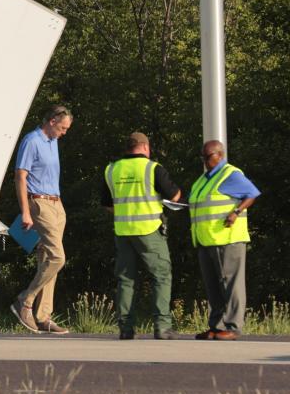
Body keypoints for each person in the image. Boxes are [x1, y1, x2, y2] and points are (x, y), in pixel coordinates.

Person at [102, 132, 182, 340]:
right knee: (161, 276)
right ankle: (162, 327)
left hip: (123, 231)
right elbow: (174, 196)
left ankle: (126, 328)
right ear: (145, 147)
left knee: (126, 279)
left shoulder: (111, 170)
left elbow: (107, 205)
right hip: (149, 230)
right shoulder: (152, 168)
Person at [10, 105, 73, 334]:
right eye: (63, 127)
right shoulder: (32, 140)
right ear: (53, 120)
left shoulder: (52, 141)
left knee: (48, 257)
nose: (64, 133)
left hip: (57, 204)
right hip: (39, 202)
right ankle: (24, 301)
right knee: (58, 257)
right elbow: (20, 176)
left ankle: (43, 316)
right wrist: (26, 211)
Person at [189, 140, 260, 341]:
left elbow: (252, 193)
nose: (205, 161)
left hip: (228, 239)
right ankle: (217, 326)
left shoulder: (230, 174)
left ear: (219, 155)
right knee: (213, 286)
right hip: (206, 240)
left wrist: (236, 211)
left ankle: (233, 327)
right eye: (202, 157)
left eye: (208, 156)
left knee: (231, 284)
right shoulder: (203, 179)